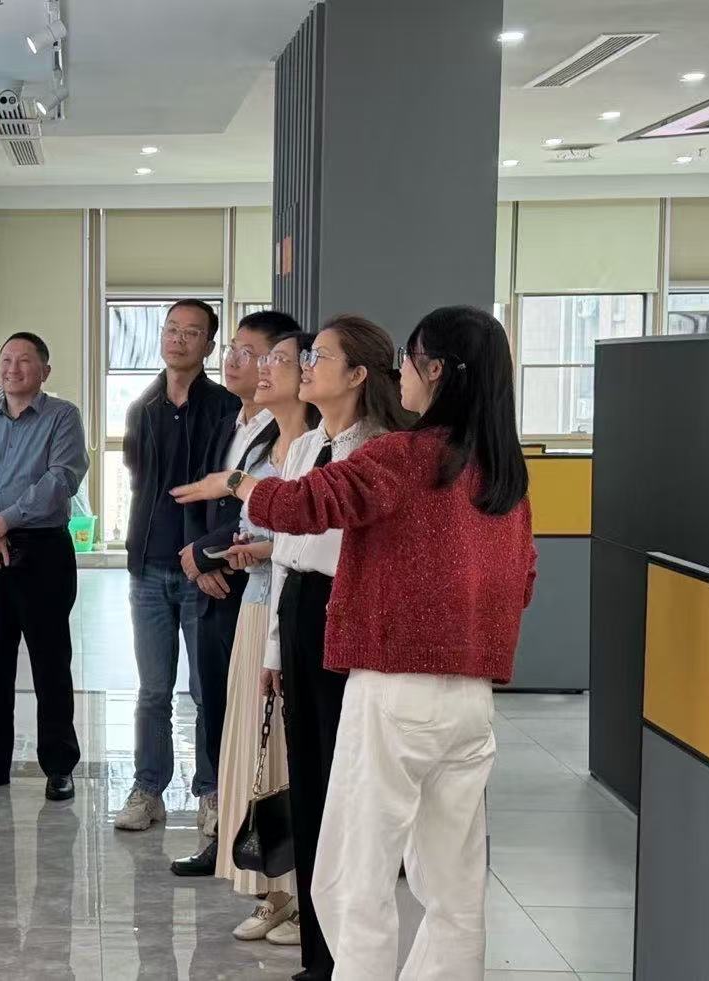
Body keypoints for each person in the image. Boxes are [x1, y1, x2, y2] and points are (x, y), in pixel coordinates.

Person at [173, 305, 537, 981]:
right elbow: (523, 581)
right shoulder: (501, 473)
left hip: (394, 692)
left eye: (410, 359)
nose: (403, 373)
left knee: (351, 876)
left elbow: (300, 505)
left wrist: (236, 483)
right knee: (453, 886)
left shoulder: (401, 455)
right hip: (471, 702)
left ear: (435, 370)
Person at [257, 317, 413, 976]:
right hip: (299, 609)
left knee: (351, 787)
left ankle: (354, 955)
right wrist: (272, 651)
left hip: (348, 613)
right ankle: (318, 956)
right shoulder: (303, 445)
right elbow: (284, 555)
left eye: (318, 356)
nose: (305, 366)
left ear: (357, 374)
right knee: (311, 784)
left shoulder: (381, 452)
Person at [206, 331, 318, 942]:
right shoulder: (264, 445)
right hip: (256, 607)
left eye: (279, 360)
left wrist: (264, 549)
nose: (264, 368)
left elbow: (312, 541)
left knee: (286, 752)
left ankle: (301, 896)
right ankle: (271, 889)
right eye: (263, 358)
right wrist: (247, 548)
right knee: (252, 744)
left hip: (290, 609)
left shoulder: (317, 449)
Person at [169, 311, 289, 875]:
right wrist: (197, 561)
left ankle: (250, 837)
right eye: (234, 349)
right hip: (213, 583)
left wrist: (208, 554)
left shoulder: (286, 432)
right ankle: (223, 829)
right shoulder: (229, 421)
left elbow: (260, 511)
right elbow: (200, 495)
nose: (236, 360)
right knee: (213, 707)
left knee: (248, 719)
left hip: (252, 585)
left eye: (251, 352)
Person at [115, 300, 240, 831]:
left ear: (208, 345)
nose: (178, 339)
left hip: (200, 570)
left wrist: (204, 554)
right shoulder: (142, 407)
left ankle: (212, 792)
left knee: (206, 689)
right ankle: (148, 791)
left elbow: (222, 496)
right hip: (148, 567)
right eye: (171, 330)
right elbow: (139, 477)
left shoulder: (226, 409)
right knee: (152, 690)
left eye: (191, 333)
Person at [0, 332, 89, 802]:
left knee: (51, 661)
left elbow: (61, 480)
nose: (12, 368)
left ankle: (59, 766)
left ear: (44, 371)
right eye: (6, 359)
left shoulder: (62, 417)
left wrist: (4, 521)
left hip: (43, 550)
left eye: (24, 360)